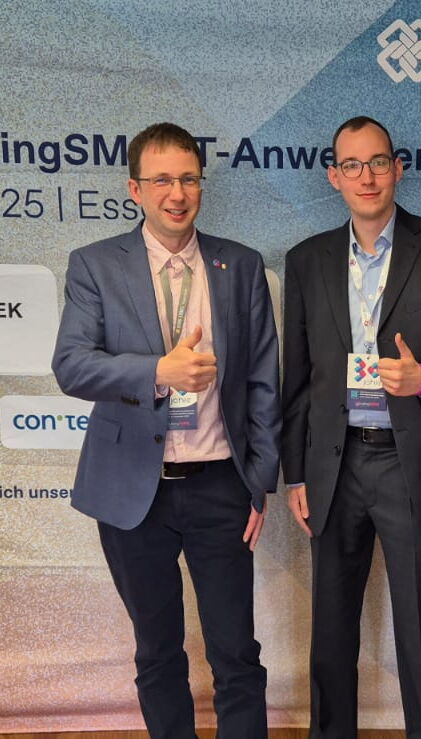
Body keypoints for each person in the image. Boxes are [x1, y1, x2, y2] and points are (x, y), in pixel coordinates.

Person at [52, 122, 281, 739]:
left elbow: (263, 378)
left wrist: (259, 483)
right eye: (161, 180)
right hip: (133, 492)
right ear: (135, 189)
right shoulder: (95, 265)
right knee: (157, 652)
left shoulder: (240, 264)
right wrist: (159, 370)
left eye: (187, 179)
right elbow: (72, 366)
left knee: (237, 652)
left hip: (221, 486)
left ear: (200, 185)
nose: (176, 193)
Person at [282, 115, 421, 739]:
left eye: (378, 162)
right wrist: (296, 473)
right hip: (334, 466)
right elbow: (299, 377)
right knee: (330, 633)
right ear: (334, 177)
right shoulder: (306, 260)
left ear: (398, 168)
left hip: (413, 462)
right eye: (352, 165)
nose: (367, 176)